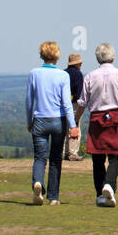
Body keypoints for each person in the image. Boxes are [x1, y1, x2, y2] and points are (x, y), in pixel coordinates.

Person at [79, 43, 118, 207]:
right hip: (116, 115)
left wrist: (75, 121)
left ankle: (101, 193)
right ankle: (109, 185)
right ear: (113, 57)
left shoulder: (90, 76)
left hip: (96, 117)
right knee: (116, 156)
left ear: (97, 58)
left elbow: (82, 102)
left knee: (97, 158)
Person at [25, 41, 76, 205]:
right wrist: (73, 125)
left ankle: (37, 183)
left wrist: (29, 120)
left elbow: (29, 100)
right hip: (58, 121)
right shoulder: (63, 75)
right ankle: (53, 196)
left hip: (39, 119)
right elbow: (67, 104)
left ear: (42, 54)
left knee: (40, 158)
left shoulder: (34, 73)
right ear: (57, 55)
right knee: (55, 159)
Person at [62, 53, 86, 162]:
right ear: (77, 63)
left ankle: (63, 152)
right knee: (75, 127)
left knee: (64, 128)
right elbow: (79, 93)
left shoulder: (63, 73)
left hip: (62, 104)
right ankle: (72, 152)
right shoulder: (78, 74)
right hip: (74, 104)